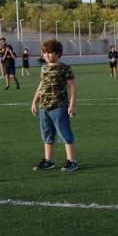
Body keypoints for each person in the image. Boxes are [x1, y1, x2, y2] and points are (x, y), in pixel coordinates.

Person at [30, 39, 78, 172]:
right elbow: (41, 85)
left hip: (59, 106)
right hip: (44, 107)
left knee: (65, 133)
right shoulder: (44, 68)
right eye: (44, 53)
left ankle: (71, 161)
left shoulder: (64, 68)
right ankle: (48, 160)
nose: (46, 55)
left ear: (58, 54)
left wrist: (72, 105)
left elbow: (72, 87)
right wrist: (35, 101)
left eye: (49, 53)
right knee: (47, 134)